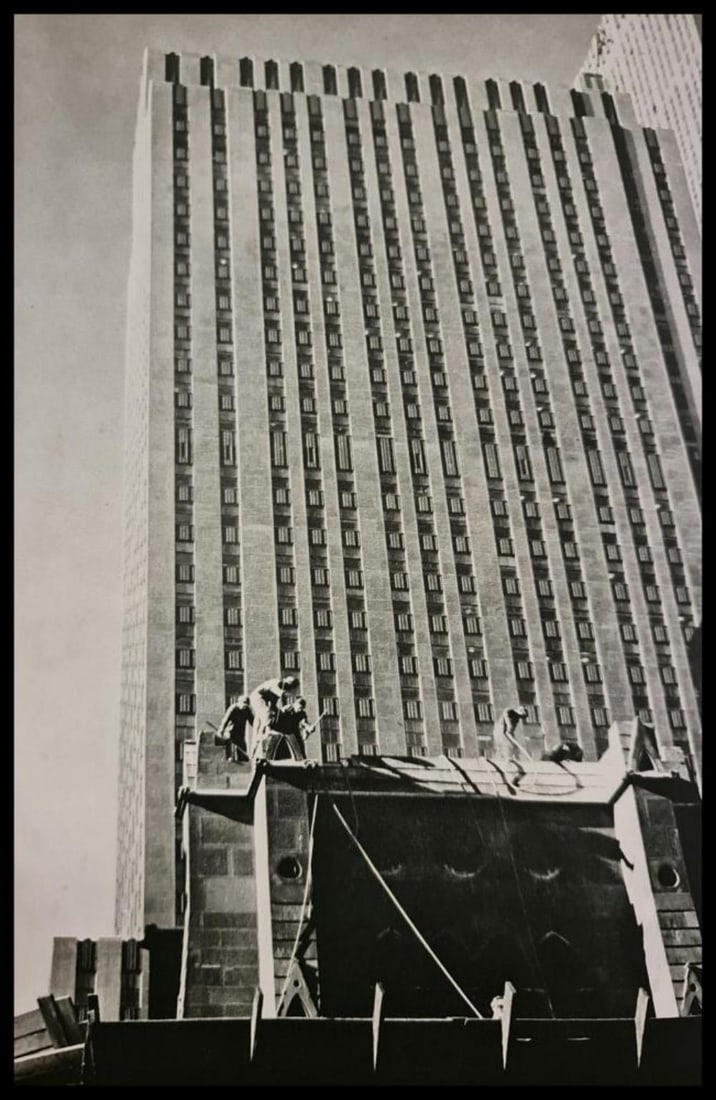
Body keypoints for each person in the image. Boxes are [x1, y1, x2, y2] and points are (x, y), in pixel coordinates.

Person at [248, 675, 300, 759]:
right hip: (257, 697)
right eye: (288, 688)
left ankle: (266, 730)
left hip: (264, 699)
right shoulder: (277, 683)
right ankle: (268, 729)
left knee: (271, 713)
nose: (288, 691)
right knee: (266, 712)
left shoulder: (279, 690)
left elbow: (273, 705)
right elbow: (275, 694)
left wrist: (280, 711)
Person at [214, 696, 253, 762]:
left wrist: (260, 730)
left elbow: (253, 722)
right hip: (230, 731)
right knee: (230, 743)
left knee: (242, 746)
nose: (244, 706)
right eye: (243, 704)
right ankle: (229, 757)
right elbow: (225, 720)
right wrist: (221, 730)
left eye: (246, 705)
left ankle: (243, 760)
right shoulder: (233, 708)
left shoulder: (247, 710)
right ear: (239, 703)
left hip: (240, 732)